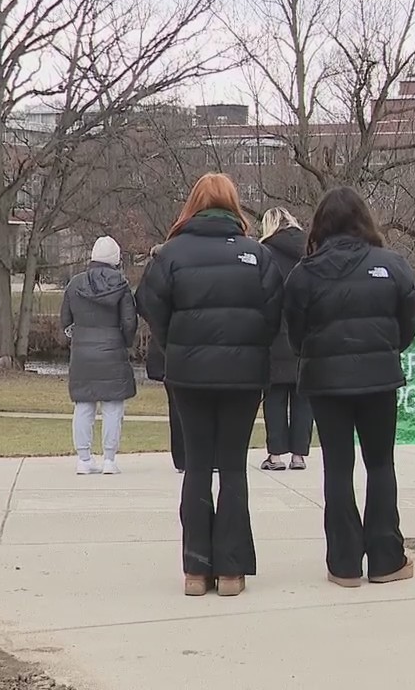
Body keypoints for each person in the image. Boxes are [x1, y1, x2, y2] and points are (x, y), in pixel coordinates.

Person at [137, 173, 283, 597]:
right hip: (242, 375)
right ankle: (233, 571)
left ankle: (196, 571)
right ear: (234, 206)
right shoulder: (257, 256)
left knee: (198, 466)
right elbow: (274, 317)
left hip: (188, 373)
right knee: (234, 467)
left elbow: (150, 306)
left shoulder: (169, 255)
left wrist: (178, 345)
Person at [284, 187, 415, 588]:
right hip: (379, 379)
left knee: (337, 468)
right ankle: (385, 557)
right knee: (381, 465)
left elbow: (295, 333)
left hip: (326, 383)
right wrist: (385, 348)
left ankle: (343, 562)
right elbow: (409, 319)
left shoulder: (304, 274)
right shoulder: (392, 265)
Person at [61, 236, 138, 476]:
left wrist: (77, 338)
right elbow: (129, 321)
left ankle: (83, 459)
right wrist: (124, 343)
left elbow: (65, 320)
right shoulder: (121, 285)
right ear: (115, 259)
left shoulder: (75, 284)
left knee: (83, 405)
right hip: (112, 349)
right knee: (113, 407)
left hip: (82, 352)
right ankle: (109, 459)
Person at [258, 207, 313, 471]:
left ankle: (276, 454)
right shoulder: (310, 252)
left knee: (275, 396)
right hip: (304, 334)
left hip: (274, 333)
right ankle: (299, 455)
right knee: (302, 398)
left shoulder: (265, 253)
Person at [138, 243, 186, 474]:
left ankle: (183, 457)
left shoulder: (158, 268)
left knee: (177, 404)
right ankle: (189, 456)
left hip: (168, 344)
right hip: (176, 344)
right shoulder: (167, 267)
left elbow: (143, 301)